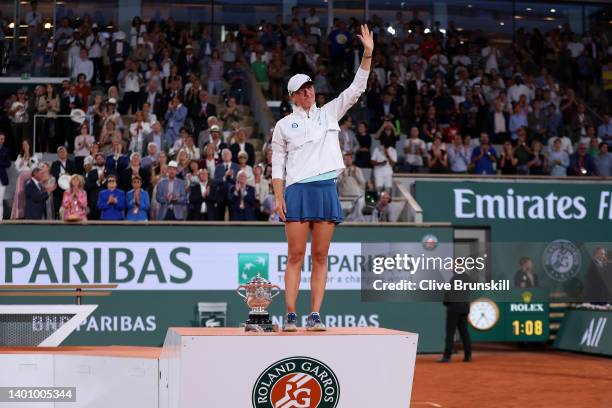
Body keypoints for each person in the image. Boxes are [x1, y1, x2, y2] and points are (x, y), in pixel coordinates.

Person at [271, 24, 373, 332]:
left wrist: (367, 53)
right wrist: (278, 197)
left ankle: (314, 314)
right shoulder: (284, 125)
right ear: (292, 96)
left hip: (326, 188)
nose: (308, 91)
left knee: (320, 255)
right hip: (298, 191)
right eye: (302, 89)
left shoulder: (329, 112)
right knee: (295, 255)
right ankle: (290, 313)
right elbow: (277, 165)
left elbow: (356, 89)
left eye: (310, 87)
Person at [439, 272, 473, 363]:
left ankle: (447, 357)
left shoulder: (453, 279)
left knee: (450, 333)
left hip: (454, 308)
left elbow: (448, 294)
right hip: (464, 308)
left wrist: (446, 302)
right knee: (464, 332)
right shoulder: (468, 278)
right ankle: (468, 356)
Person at [0, 132, 10, 220]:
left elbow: (8, 164)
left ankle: (0, 218)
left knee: (0, 199)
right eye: (0, 138)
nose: (1, 141)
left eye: (3, 139)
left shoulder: (6, 150)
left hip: (2, 178)